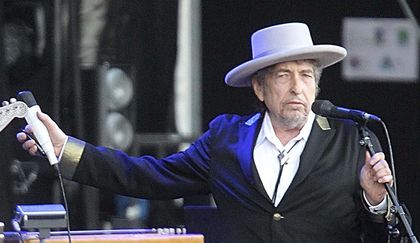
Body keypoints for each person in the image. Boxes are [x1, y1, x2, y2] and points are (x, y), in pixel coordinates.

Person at [16, 22, 393, 242]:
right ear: (259, 89)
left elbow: (386, 234)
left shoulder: (352, 138)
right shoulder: (227, 138)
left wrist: (378, 202)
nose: (297, 87)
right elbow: (146, 175)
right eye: (283, 75)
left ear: (316, 86)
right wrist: (66, 148)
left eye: (306, 75)